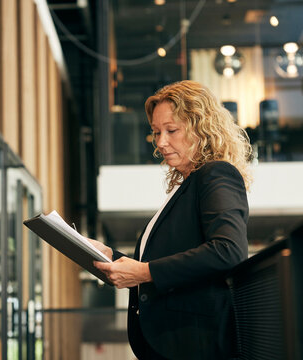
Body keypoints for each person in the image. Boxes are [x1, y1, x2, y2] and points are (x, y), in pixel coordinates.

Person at [91, 80, 252, 360]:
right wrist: (113, 257)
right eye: (156, 132)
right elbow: (168, 259)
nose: (161, 142)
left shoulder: (216, 174)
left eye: (172, 130)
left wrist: (144, 273)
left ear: (202, 127)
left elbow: (229, 251)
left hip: (196, 344)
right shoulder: (188, 185)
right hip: (175, 343)